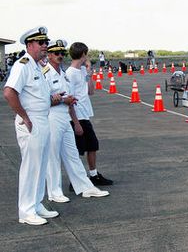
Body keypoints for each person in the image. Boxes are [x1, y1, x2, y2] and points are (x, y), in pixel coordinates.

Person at [3, 26, 60, 225]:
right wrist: (24, 117)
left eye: (46, 42)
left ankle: (36, 204)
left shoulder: (37, 65)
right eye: (41, 43)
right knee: (31, 167)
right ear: (30, 45)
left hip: (42, 120)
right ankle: (26, 211)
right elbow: (9, 92)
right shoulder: (23, 64)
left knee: (41, 165)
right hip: (31, 121)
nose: (46, 46)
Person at [44, 39, 109, 203]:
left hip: (66, 116)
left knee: (72, 154)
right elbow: (41, 99)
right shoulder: (44, 73)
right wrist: (62, 102)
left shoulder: (63, 73)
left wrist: (73, 116)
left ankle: (85, 187)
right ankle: (54, 192)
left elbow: (71, 98)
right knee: (53, 156)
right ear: (49, 55)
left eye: (62, 53)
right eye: (56, 53)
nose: (60, 56)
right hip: (52, 117)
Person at [67, 42, 114, 186]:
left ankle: (93, 175)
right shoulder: (69, 74)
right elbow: (69, 99)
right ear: (83, 55)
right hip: (77, 116)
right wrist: (75, 122)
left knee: (92, 145)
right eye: (86, 54)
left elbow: (90, 91)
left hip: (84, 114)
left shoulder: (81, 71)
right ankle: (76, 178)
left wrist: (88, 74)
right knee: (78, 150)